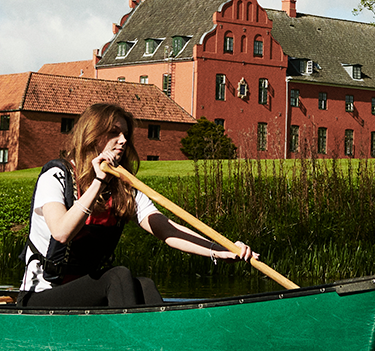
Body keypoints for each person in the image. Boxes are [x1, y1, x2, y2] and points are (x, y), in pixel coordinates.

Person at [21, 101, 256, 307]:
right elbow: (61, 232)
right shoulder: (56, 176)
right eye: (114, 133)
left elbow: (168, 230)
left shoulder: (123, 187)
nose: (123, 140)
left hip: (89, 294)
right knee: (117, 276)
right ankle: (134, 342)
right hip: (41, 295)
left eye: (125, 134)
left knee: (144, 285)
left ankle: (162, 339)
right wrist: (98, 183)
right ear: (93, 135)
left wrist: (219, 249)